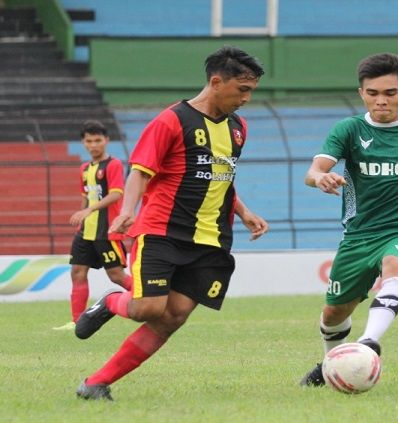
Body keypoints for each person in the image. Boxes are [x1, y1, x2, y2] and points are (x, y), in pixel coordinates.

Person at [72, 46, 269, 401]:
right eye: (242, 89)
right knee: (148, 308)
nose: (247, 99)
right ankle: (112, 301)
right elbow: (139, 172)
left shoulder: (239, 128)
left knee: (173, 316)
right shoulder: (171, 121)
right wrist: (128, 209)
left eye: (251, 90)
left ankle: (96, 383)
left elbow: (217, 175)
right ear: (215, 81)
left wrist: (243, 211)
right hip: (163, 232)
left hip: (211, 240)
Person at [299, 53, 398, 387]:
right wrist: (321, 178)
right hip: (359, 235)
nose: (381, 100)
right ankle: (333, 363)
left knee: (395, 264)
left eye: (389, 92)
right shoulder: (349, 130)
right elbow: (314, 170)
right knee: (333, 314)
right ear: (361, 93)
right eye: (372, 93)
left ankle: (369, 342)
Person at [53, 120, 131, 331]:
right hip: (86, 231)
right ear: (83, 143)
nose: (94, 145)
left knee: (116, 276)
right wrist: (82, 215)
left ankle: (152, 300)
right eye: (89, 141)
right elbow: (85, 197)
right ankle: (77, 322)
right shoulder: (84, 168)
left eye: (98, 140)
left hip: (106, 231)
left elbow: (116, 193)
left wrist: (89, 210)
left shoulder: (113, 164)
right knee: (77, 272)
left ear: (106, 141)